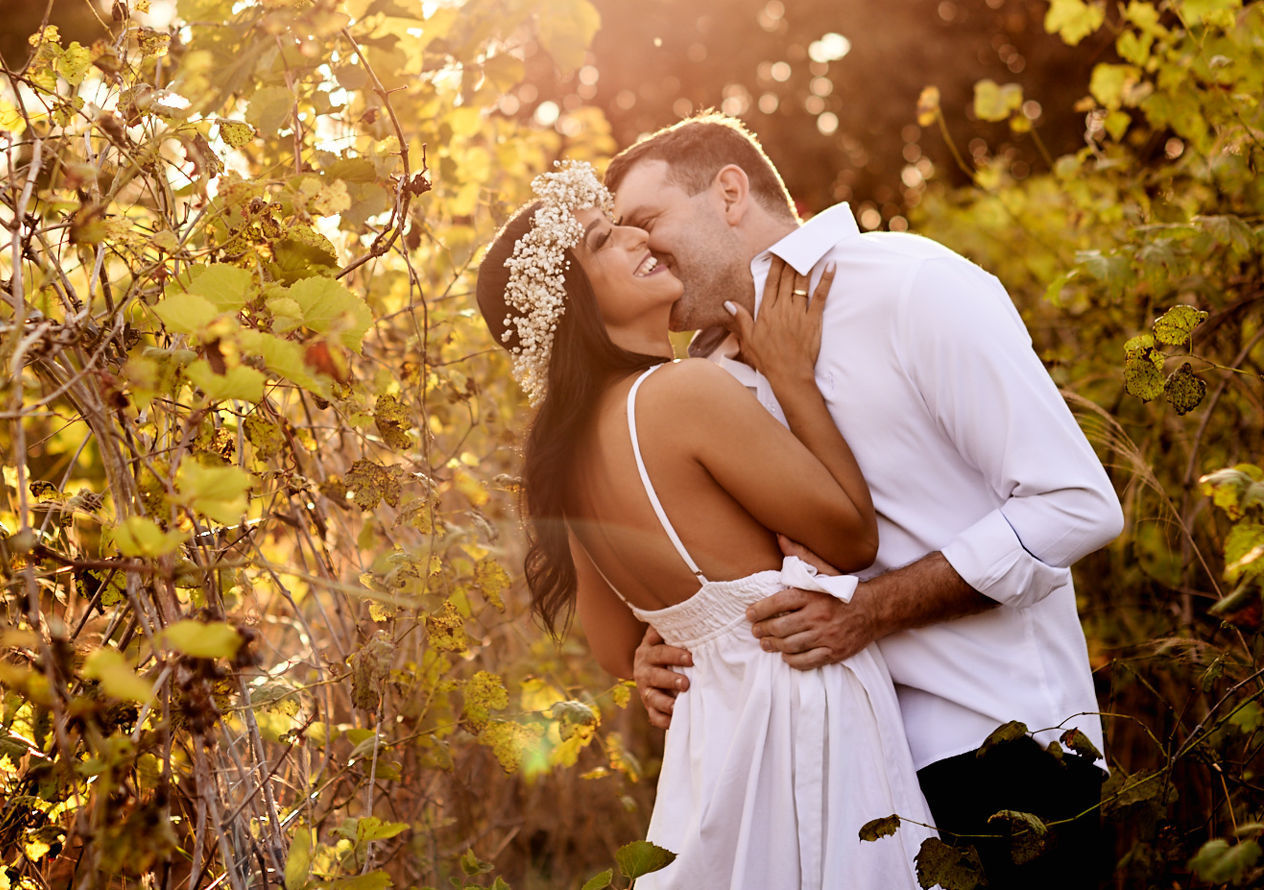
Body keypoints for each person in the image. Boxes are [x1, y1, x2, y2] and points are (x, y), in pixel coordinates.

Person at [604, 112, 1125, 888]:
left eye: (647, 222)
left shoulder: (909, 283)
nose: (641, 248)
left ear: (730, 192)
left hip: (1002, 758)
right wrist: (668, 652)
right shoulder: (702, 385)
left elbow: (1076, 503)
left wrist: (871, 610)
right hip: (834, 795)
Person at [475, 159, 933, 887]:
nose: (634, 238)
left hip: (712, 735)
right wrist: (790, 377)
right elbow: (853, 538)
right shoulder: (683, 392)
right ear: (572, 306)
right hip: (796, 704)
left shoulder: (563, 462)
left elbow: (612, 647)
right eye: (604, 241)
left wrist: (656, 657)